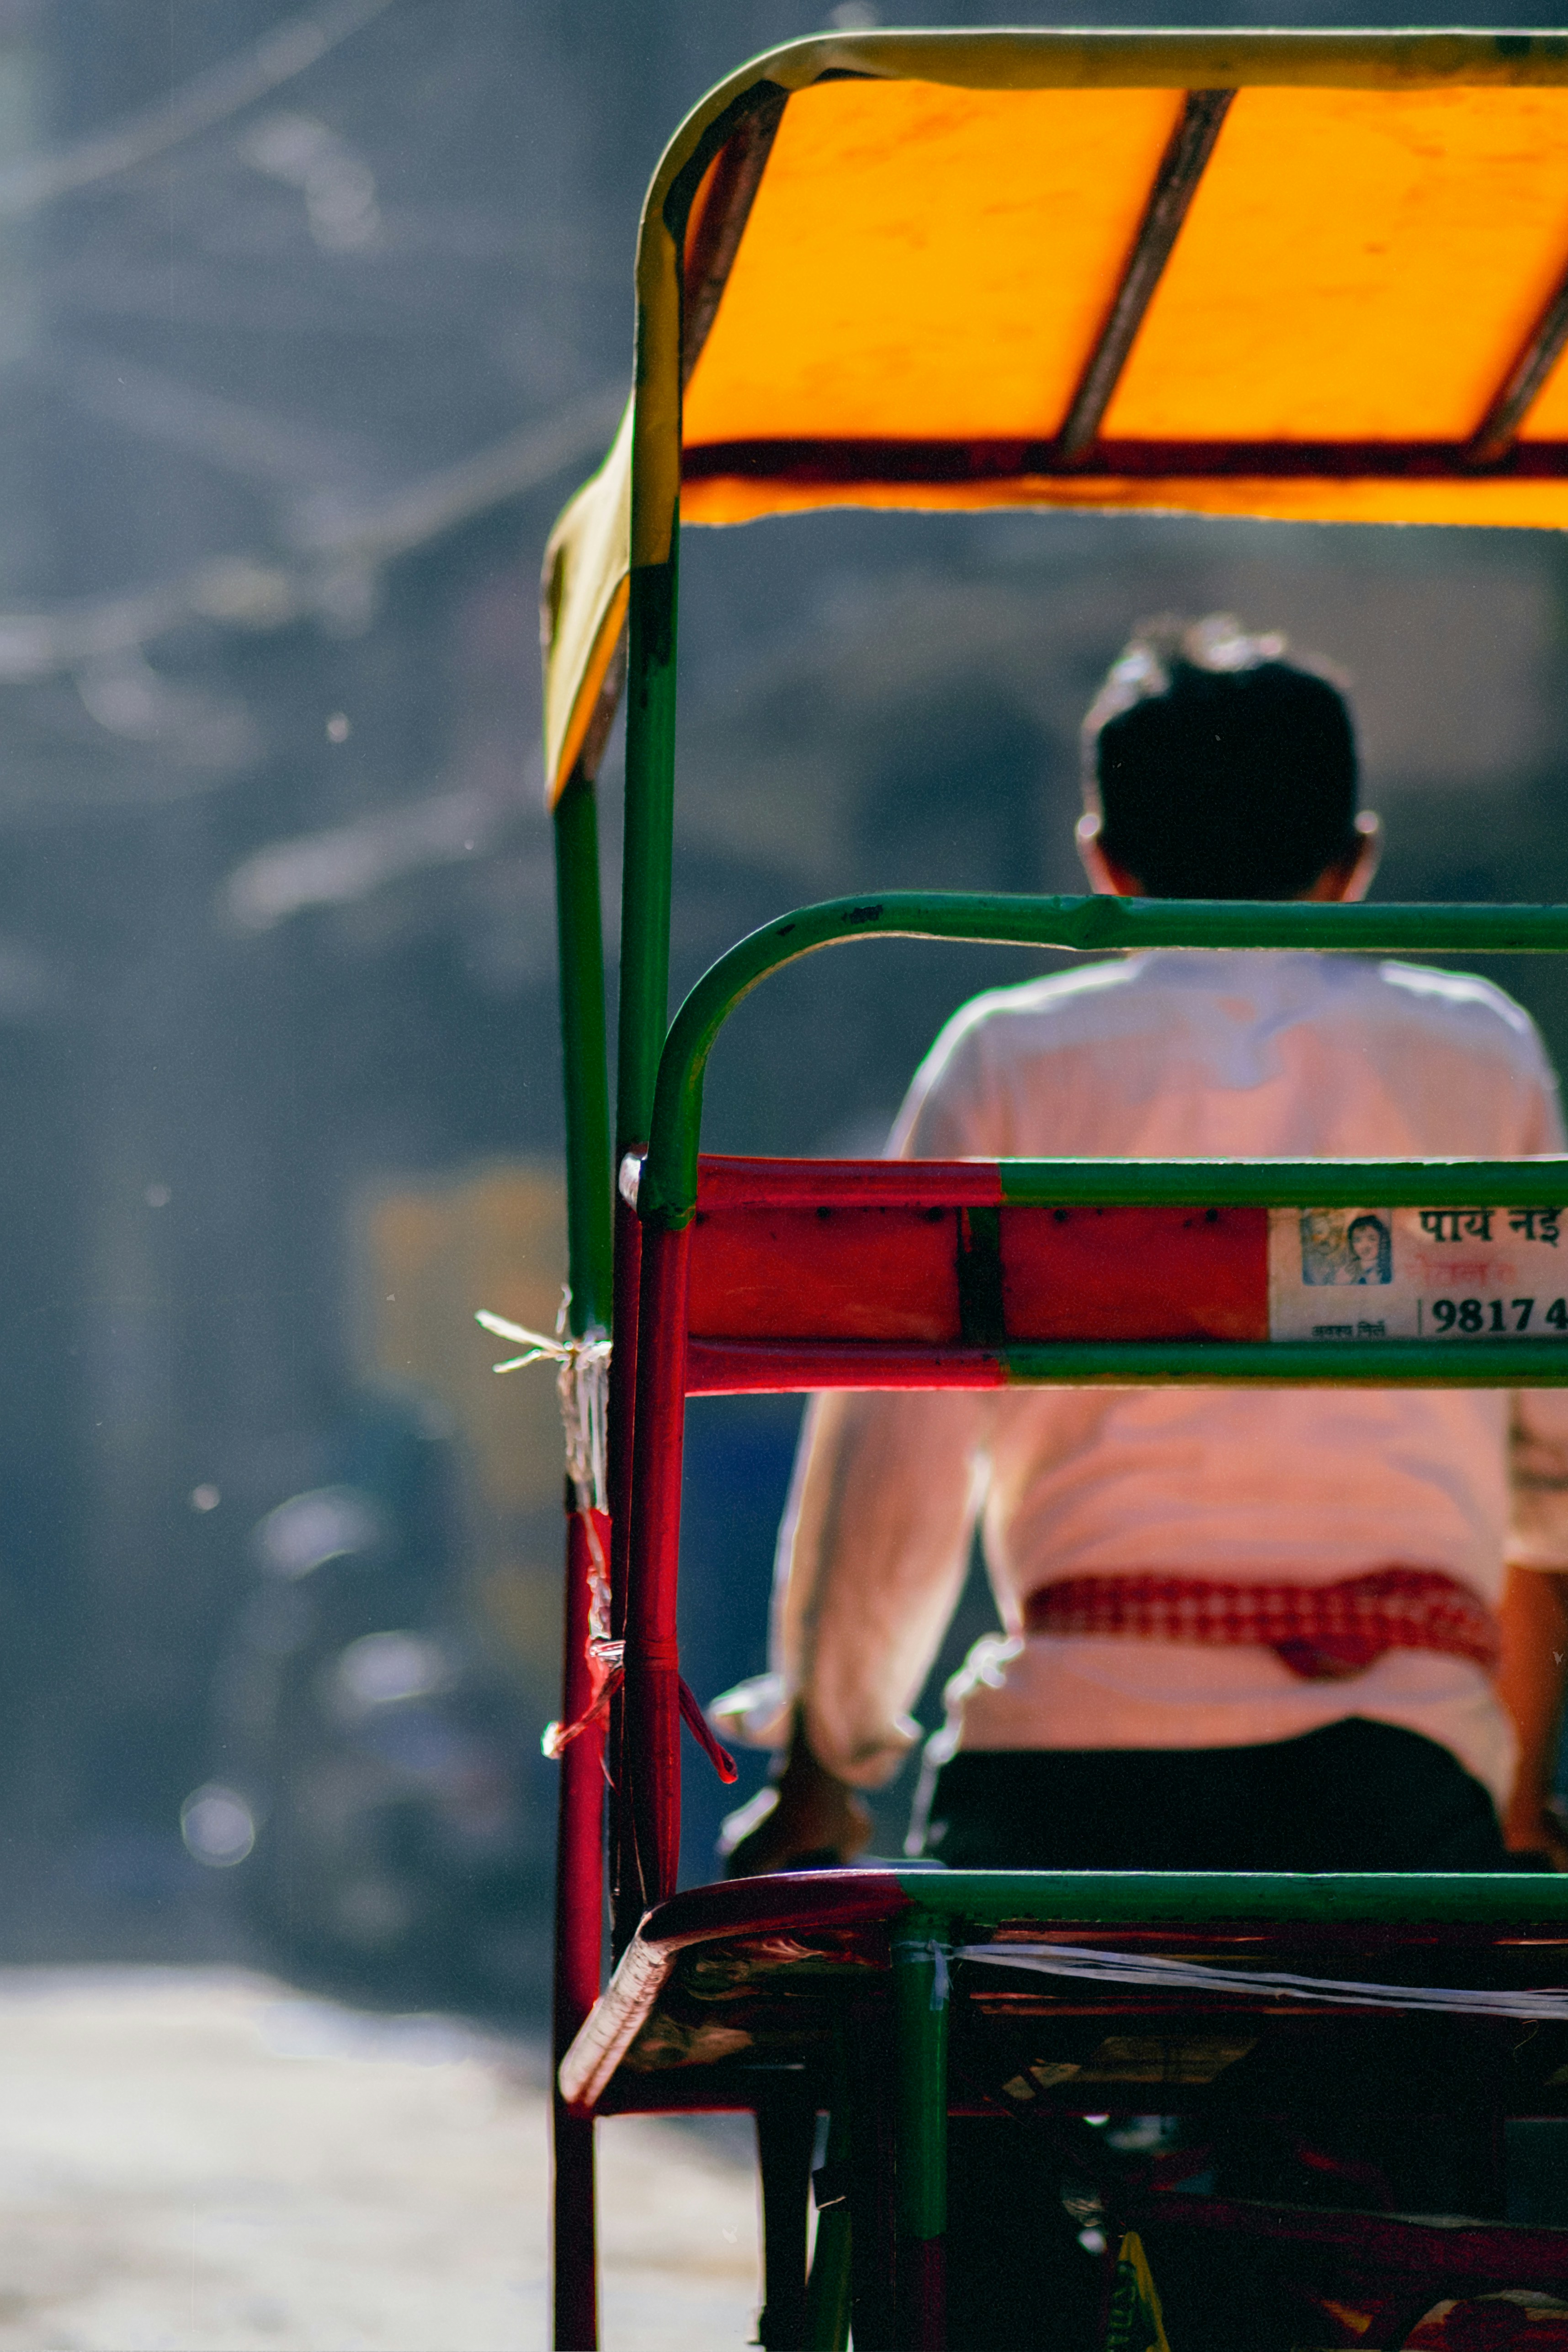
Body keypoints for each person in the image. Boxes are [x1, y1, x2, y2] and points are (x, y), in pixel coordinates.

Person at [712, 614, 1568, 1885]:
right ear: (1357, 864)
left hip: (1061, 1768)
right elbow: (1550, 1479)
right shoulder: (1480, 1050)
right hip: (1394, 1781)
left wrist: (821, 1770)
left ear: (1102, 862)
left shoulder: (1005, 1056)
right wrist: (1514, 1800)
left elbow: (894, 1454)